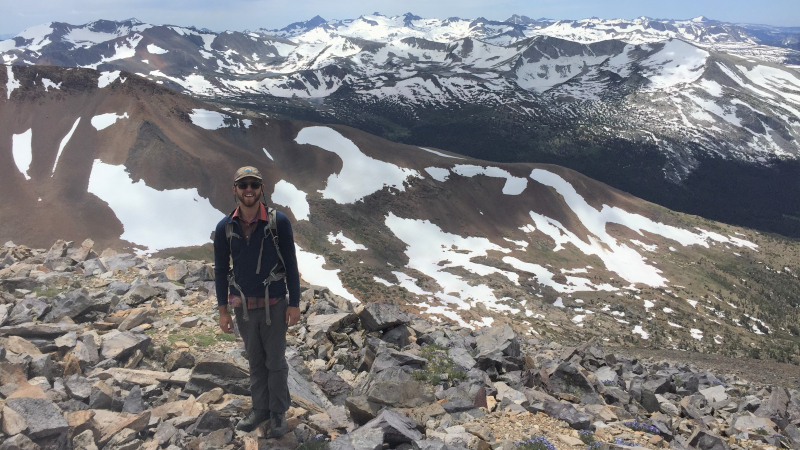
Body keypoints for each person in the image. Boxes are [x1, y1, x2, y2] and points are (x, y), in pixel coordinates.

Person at [213, 166, 301, 438]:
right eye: (243, 185)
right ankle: (260, 408)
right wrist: (223, 310)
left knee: (275, 360)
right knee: (254, 361)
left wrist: (294, 303)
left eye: (253, 184)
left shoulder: (278, 222)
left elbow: (290, 261)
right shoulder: (225, 227)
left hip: (274, 302)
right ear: (235, 190)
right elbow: (219, 269)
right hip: (243, 306)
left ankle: (277, 412)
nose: (248, 189)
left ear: (262, 189)